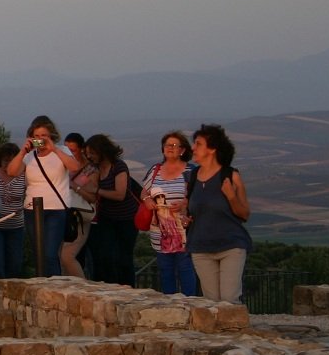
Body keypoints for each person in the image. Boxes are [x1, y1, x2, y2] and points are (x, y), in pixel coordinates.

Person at [5, 116, 82, 277]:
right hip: (32, 209)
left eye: (43, 136)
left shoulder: (62, 151)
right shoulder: (29, 156)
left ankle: (54, 288)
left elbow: (75, 167)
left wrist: (54, 149)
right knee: (38, 253)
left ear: (51, 135)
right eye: (36, 136)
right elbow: (11, 172)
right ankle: (42, 284)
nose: (40, 140)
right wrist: (23, 151)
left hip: (56, 209)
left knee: (50, 253)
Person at [187, 124, 252, 304]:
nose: (193, 148)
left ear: (212, 149)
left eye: (198, 144)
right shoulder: (192, 177)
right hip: (201, 247)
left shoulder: (231, 176)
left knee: (229, 299)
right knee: (212, 302)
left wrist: (231, 196)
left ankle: (235, 331)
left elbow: (244, 214)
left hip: (230, 245)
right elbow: (191, 209)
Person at [143, 131, 198, 295]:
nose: (170, 148)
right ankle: (170, 308)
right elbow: (143, 191)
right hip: (160, 229)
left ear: (182, 150)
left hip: (183, 228)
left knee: (185, 268)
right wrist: (147, 199)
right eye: (167, 145)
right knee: (165, 270)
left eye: (174, 145)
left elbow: (199, 196)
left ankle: (191, 306)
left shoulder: (191, 171)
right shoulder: (155, 170)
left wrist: (184, 203)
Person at [82, 134, 138, 286]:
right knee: (105, 255)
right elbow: (85, 185)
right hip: (106, 218)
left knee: (124, 258)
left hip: (126, 219)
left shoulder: (118, 166)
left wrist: (97, 190)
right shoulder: (95, 168)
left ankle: (127, 288)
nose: (89, 156)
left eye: (92, 153)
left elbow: (120, 194)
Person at [0, 143, 27, 278]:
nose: (8, 164)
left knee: (15, 263)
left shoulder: (24, 175)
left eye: (12, 160)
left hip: (16, 226)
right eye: (5, 160)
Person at [62, 132, 96, 278]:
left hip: (79, 218)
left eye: (73, 151)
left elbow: (92, 197)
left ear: (81, 149)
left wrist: (74, 186)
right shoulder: (62, 167)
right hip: (63, 215)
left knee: (67, 256)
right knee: (60, 257)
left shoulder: (90, 171)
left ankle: (82, 290)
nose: (69, 154)